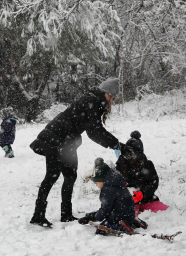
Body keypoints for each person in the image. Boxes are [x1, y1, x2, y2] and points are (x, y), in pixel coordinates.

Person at [28, 77, 122, 227]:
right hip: (56, 139)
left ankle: (66, 214)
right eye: (110, 96)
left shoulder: (96, 101)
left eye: (113, 98)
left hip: (67, 142)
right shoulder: (92, 102)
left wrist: (115, 144)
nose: (111, 100)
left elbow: (93, 130)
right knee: (51, 177)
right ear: (104, 92)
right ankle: (38, 215)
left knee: (70, 176)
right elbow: (94, 131)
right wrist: (116, 144)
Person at [78, 158, 137, 235]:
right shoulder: (115, 183)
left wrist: (93, 217)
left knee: (101, 230)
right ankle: (128, 222)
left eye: (97, 182)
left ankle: (121, 226)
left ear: (103, 180)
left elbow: (105, 210)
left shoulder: (108, 190)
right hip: (128, 213)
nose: (96, 185)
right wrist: (91, 215)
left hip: (120, 217)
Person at [116, 130, 160, 206]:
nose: (129, 155)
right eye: (128, 151)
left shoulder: (147, 165)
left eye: (132, 152)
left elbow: (153, 183)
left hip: (145, 199)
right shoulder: (121, 163)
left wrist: (142, 193)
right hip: (126, 199)